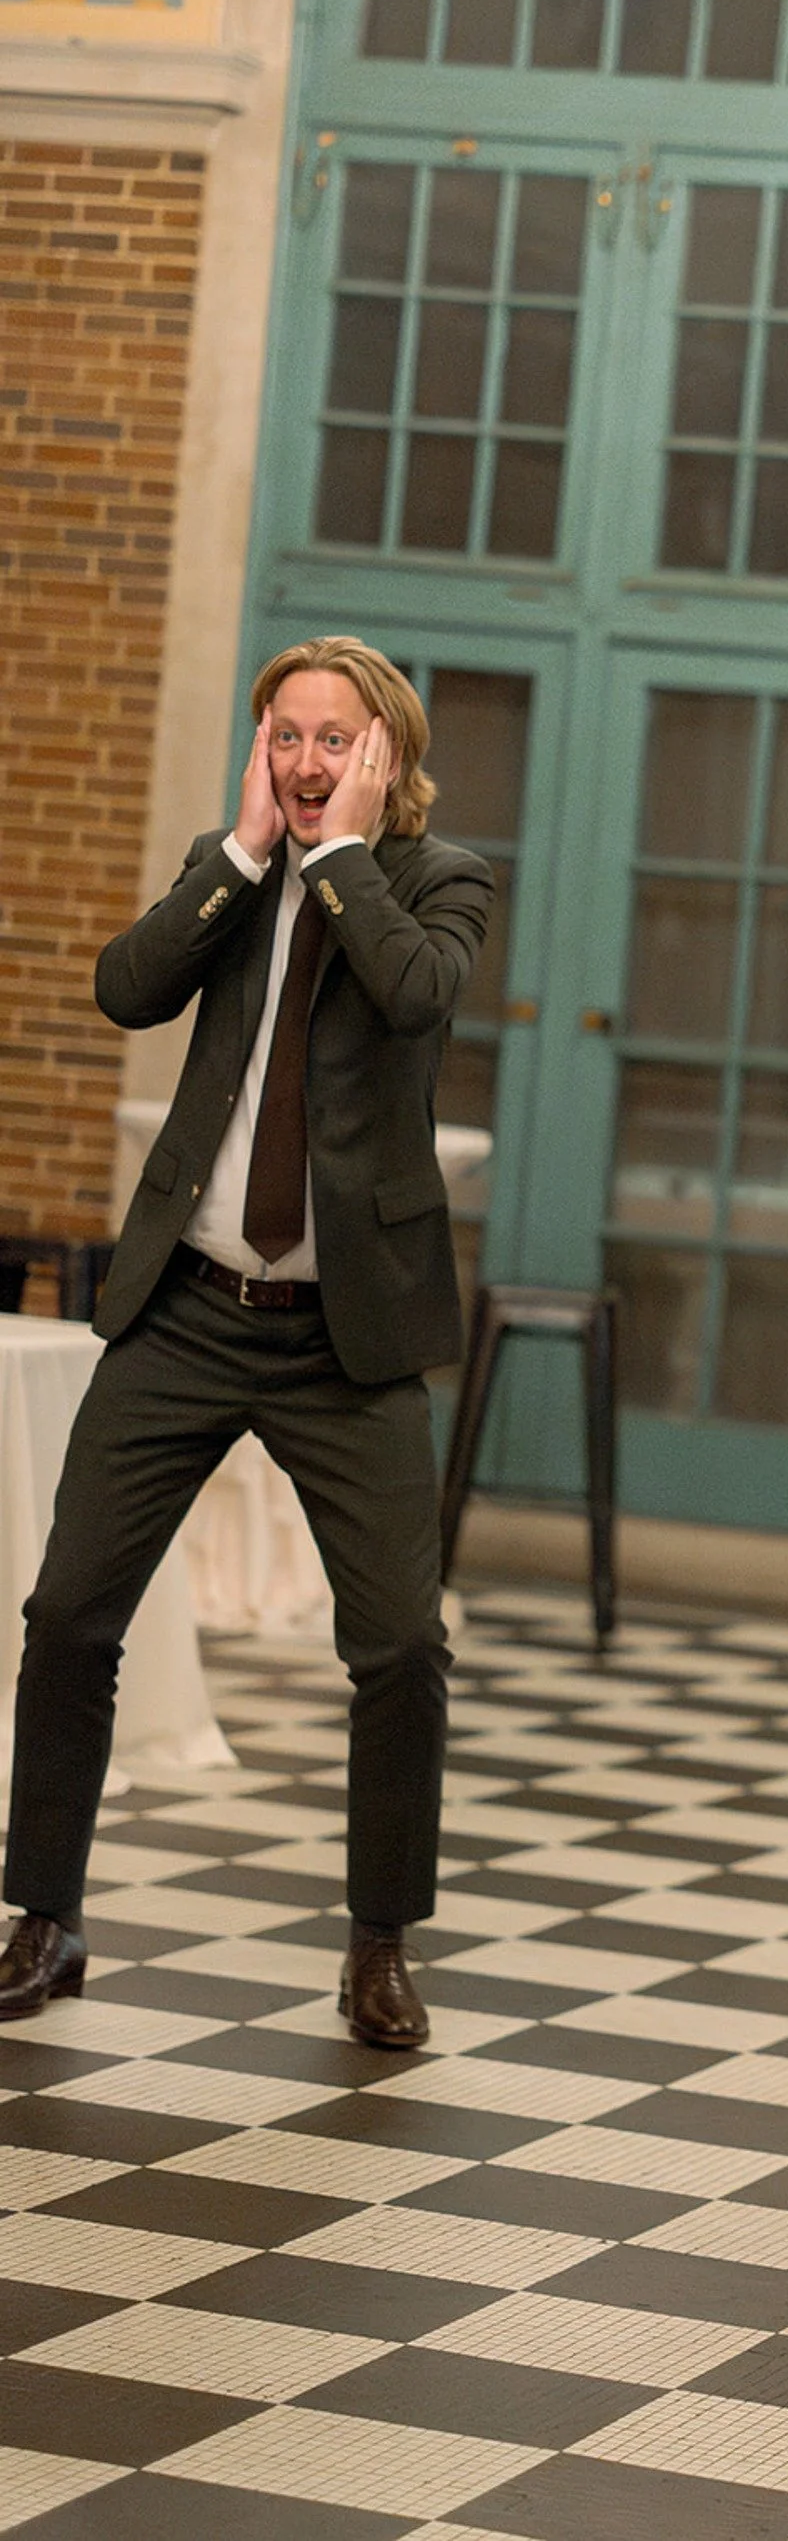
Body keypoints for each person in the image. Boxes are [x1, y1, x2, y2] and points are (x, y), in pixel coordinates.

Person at [0, 638, 493, 2052]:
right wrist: (243, 849)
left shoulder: (435, 879)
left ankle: (380, 1948)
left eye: (336, 737)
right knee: (69, 1615)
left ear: (385, 754)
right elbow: (125, 987)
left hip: (347, 1336)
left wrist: (338, 856)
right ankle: (46, 1918)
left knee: (400, 1644)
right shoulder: (231, 876)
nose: (307, 757)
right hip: (187, 1310)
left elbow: (415, 994)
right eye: (287, 733)